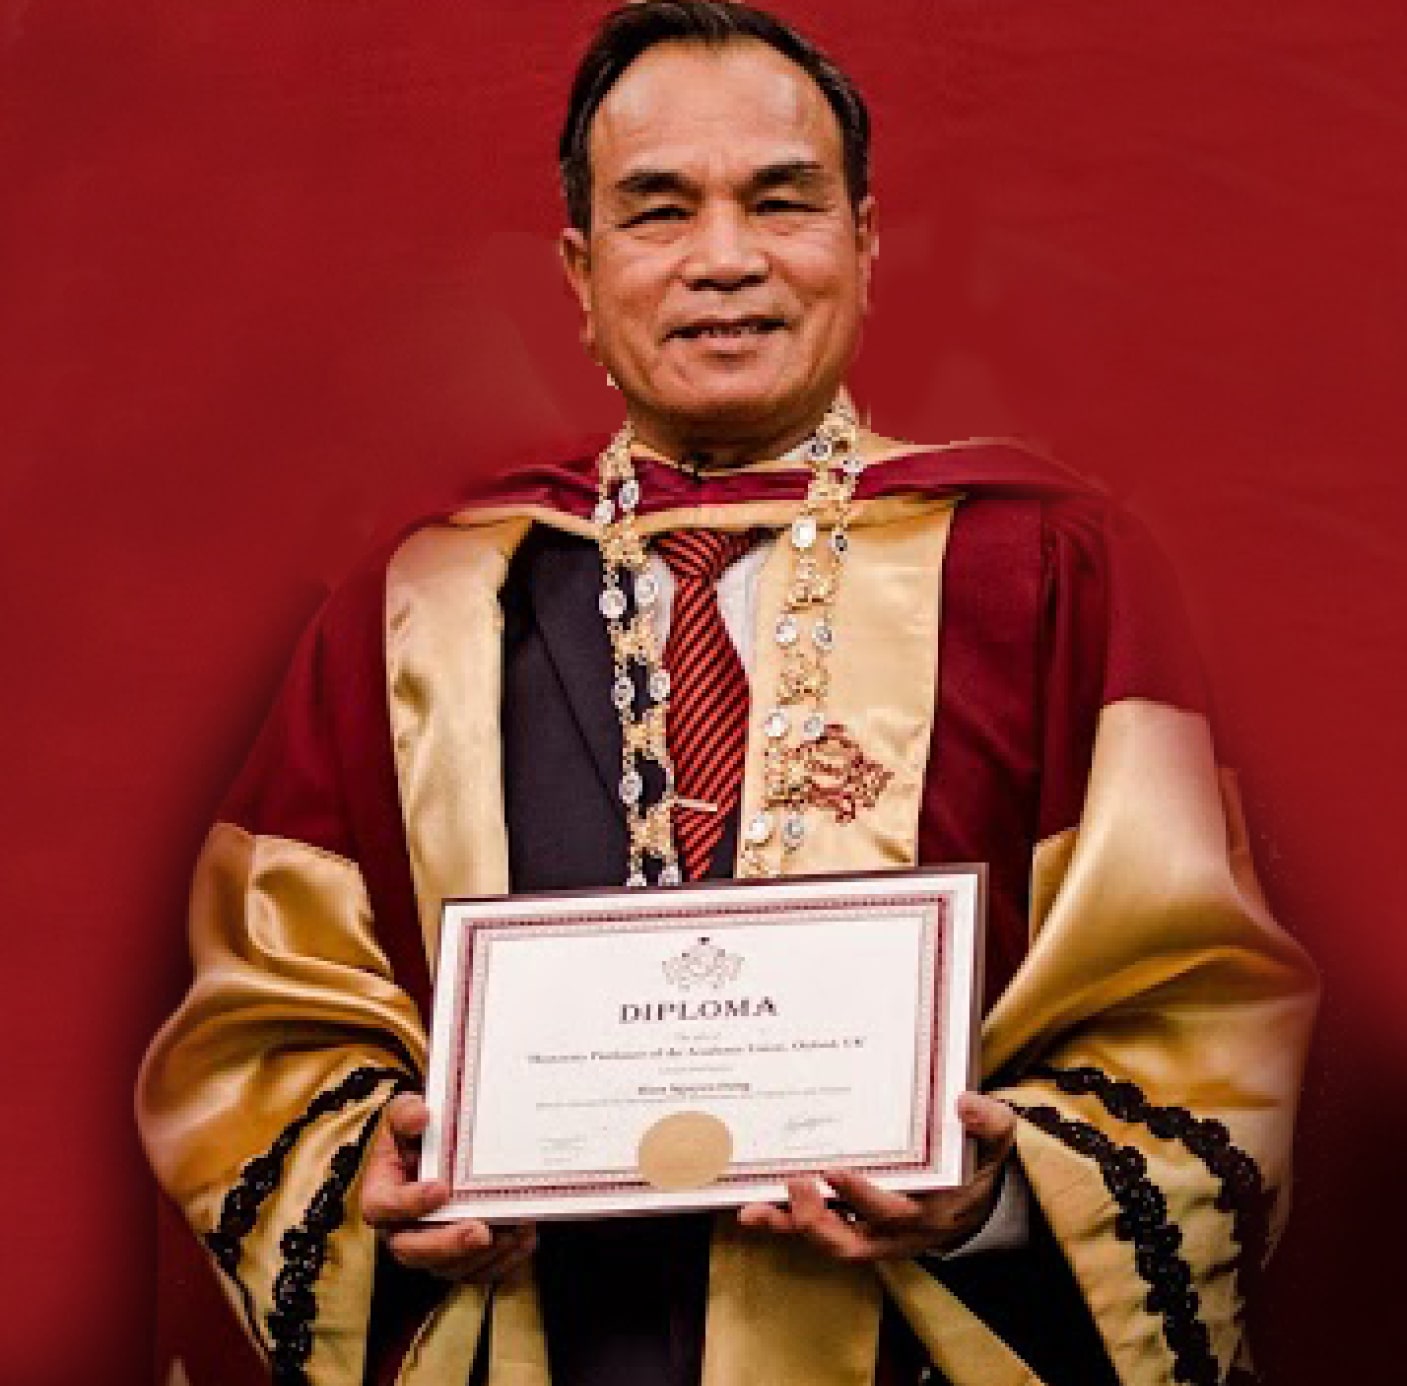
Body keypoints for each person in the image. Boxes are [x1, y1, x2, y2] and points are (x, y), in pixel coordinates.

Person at [137, 5, 1316, 1385]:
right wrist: (368, 1179)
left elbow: (1196, 1012)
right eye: (658, 211)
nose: (725, 258)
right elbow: (264, 1029)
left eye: (781, 200)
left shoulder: (1055, 577)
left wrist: (1003, 1191)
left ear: (864, 244)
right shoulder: (413, 611)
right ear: (582, 272)